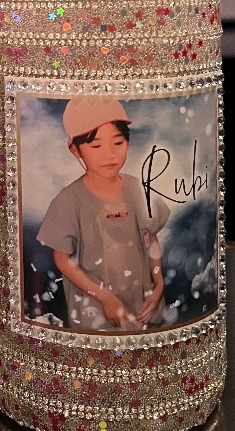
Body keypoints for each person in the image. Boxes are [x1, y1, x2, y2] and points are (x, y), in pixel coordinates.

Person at [36, 96, 169, 333]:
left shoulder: (138, 189)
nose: (109, 154)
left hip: (142, 306)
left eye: (118, 143)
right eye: (96, 146)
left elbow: (150, 239)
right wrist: (105, 298)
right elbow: (62, 260)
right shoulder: (69, 201)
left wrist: (158, 285)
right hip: (96, 311)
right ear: (74, 149)